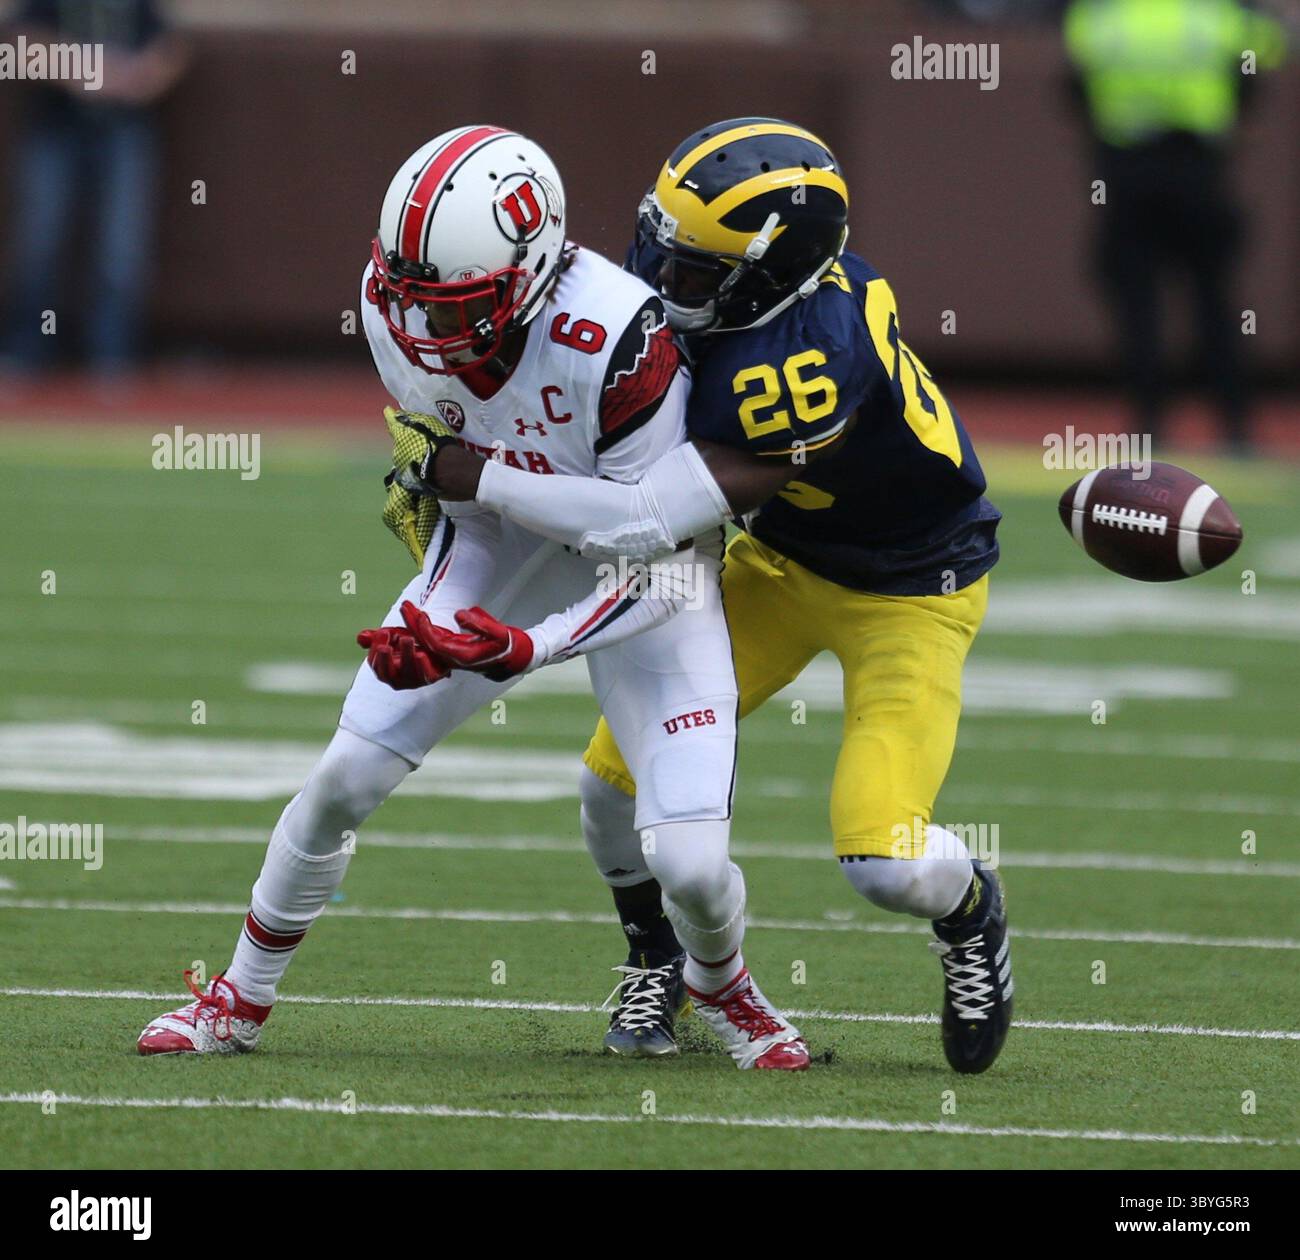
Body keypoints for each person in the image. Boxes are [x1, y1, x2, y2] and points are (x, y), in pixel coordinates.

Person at [135, 126, 808, 1072]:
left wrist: (529, 640)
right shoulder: (393, 306)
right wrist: (437, 608)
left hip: (646, 567)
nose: (421, 329)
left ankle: (724, 986)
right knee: (343, 776)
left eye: (453, 307)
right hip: (508, 545)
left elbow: (654, 548)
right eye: (411, 299)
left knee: (691, 864)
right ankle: (236, 1000)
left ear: (531, 273)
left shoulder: (617, 336)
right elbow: (468, 501)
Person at [426, 119, 1015, 1074]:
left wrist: (476, 474)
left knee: (884, 860)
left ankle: (971, 909)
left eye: (694, 273)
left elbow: (644, 519)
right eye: (659, 246)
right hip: (780, 563)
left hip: (913, 590)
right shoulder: (752, 298)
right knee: (609, 787)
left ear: (773, 274)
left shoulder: (802, 366)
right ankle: (656, 956)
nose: (661, 282)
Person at [1063, 0, 1286, 452]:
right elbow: (1264, 58)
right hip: (1198, 169)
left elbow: (1074, 86)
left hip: (1126, 172)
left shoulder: (1102, 17)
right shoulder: (1213, 14)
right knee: (1216, 304)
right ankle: (1236, 429)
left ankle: (1148, 427)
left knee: (1138, 308)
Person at [0, 0, 188, 374]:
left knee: (121, 246)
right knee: (41, 239)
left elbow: (171, 45)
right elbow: (17, 43)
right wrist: (78, 73)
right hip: (57, 124)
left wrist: (143, 76)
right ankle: (25, 349)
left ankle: (112, 355)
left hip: (125, 128)